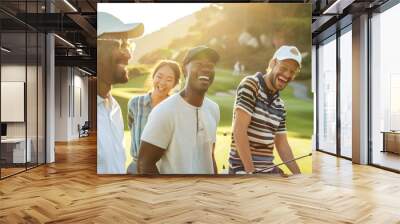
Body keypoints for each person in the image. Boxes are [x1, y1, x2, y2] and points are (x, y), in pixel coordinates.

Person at [137, 46, 220, 174]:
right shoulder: (165, 111)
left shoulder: (213, 109)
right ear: (184, 70)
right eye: (198, 64)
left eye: (210, 65)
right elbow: (145, 163)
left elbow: (210, 157)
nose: (205, 69)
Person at [229, 45, 302, 175]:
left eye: (292, 72)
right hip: (243, 170)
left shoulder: (280, 105)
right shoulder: (251, 85)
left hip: (268, 170)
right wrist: (251, 172)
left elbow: (282, 144)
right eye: (284, 68)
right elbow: (239, 130)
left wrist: (300, 177)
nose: (287, 75)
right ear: (272, 63)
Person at [97, 12, 144, 174]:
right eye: (119, 44)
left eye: (128, 45)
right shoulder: (79, 111)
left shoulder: (114, 109)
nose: (129, 54)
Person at [126, 60, 181, 174]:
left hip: (164, 170)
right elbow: (131, 126)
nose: (162, 82)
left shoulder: (175, 108)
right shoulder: (135, 103)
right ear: (153, 77)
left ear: (175, 84)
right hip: (136, 168)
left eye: (169, 79)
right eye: (159, 76)